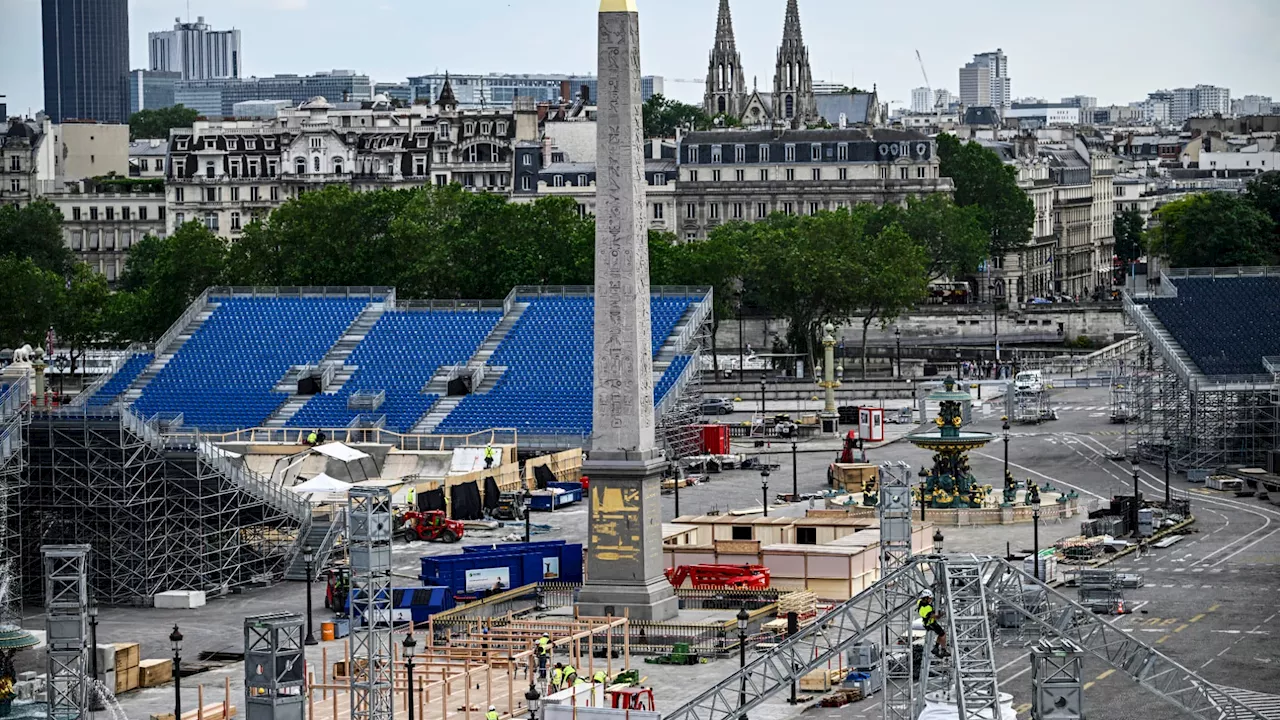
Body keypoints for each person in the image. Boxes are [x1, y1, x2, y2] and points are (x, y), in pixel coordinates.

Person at [918, 590, 948, 658]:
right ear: (926, 598)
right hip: (930, 624)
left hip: (928, 623)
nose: (930, 600)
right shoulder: (926, 609)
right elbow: (935, 616)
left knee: (940, 634)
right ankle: (943, 650)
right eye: (930, 598)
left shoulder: (920, 602)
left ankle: (936, 648)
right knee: (943, 635)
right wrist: (941, 614)